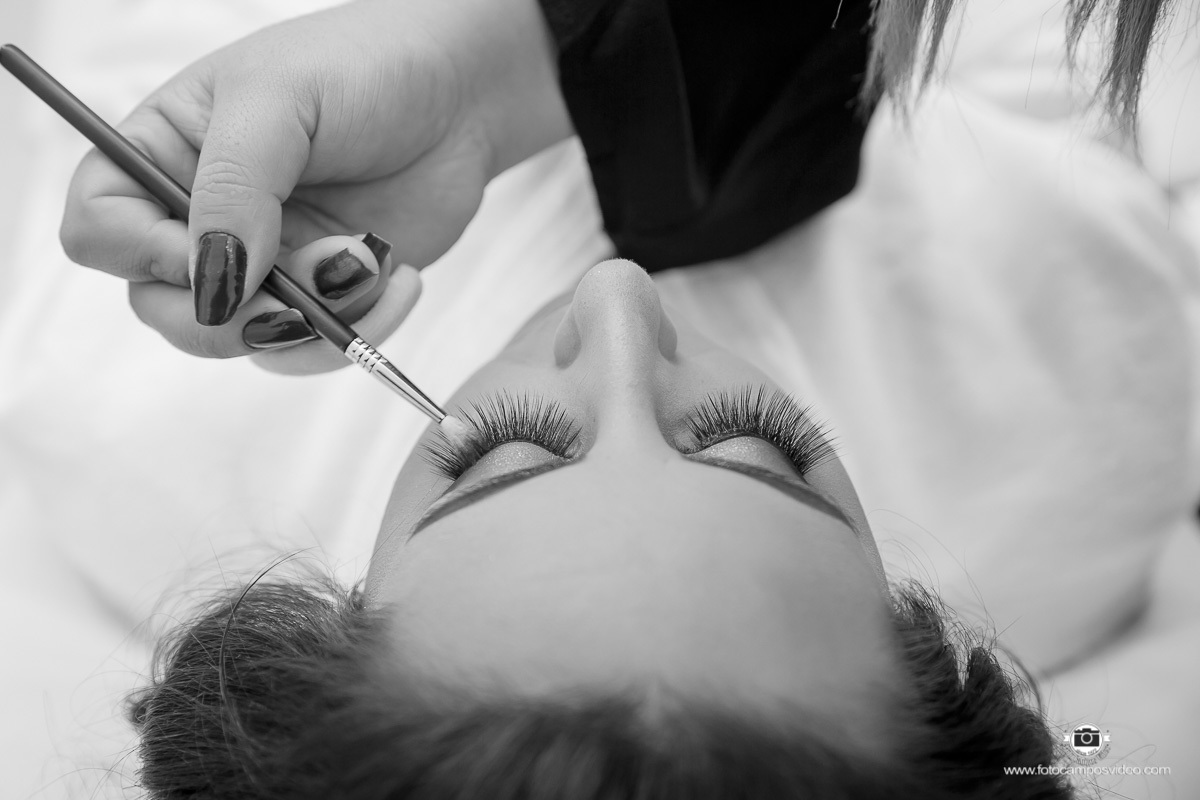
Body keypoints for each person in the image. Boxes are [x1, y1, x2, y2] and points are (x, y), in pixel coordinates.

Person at [54, 0, 1190, 798]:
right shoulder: (1082, 409)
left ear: (334, 612)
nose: (618, 298)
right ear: (920, 641)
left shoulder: (122, 425)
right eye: (759, 445)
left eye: (500, 454)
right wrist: (519, 61)